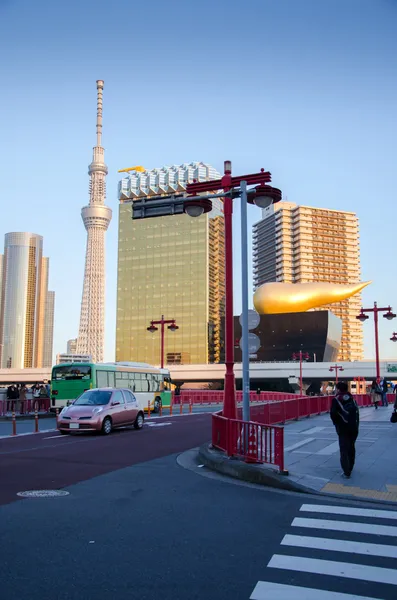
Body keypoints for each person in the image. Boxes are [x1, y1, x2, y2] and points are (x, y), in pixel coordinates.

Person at [330, 381, 359, 479]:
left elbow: (333, 414)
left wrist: (337, 425)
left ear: (338, 389)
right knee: (351, 447)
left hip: (343, 428)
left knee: (344, 449)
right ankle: (350, 467)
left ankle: (346, 472)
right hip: (354, 428)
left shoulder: (336, 399)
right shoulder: (352, 399)